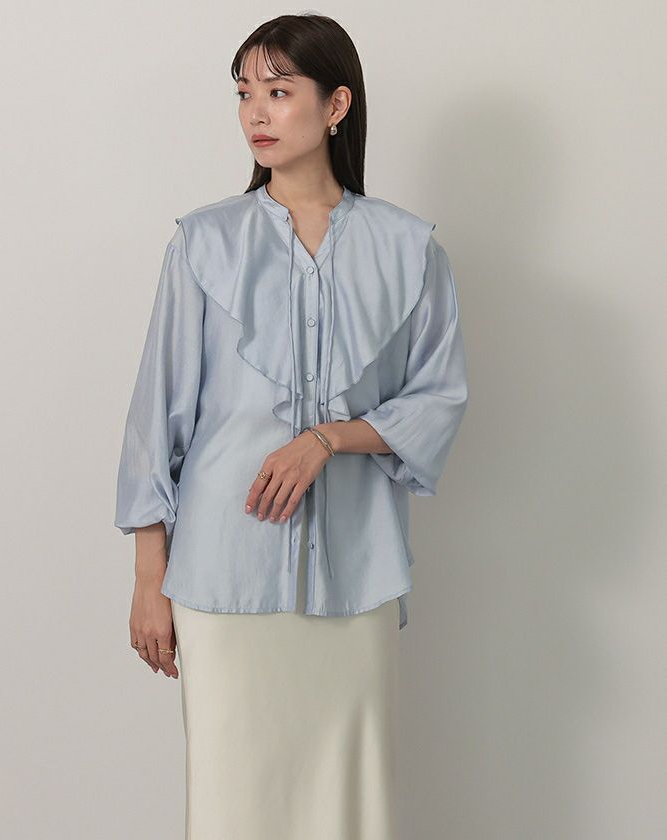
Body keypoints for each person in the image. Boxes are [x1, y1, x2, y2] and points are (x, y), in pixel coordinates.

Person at [114, 13, 469, 840]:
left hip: (356, 573)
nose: (256, 113)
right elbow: (155, 418)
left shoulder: (409, 249)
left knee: (349, 798)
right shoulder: (204, 244)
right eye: (245, 93)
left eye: (279, 91)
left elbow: (438, 397)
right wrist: (147, 579)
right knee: (232, 799)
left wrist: (329, 438)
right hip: (222, 574)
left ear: (336, 104)